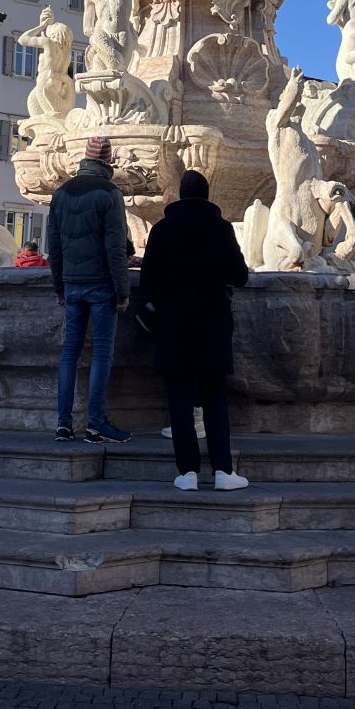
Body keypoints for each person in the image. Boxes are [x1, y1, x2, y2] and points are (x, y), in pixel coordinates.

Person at [139, 171, 251, 490]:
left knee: (179, 399)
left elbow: (148, 283)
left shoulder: (162, 230)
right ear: (206, 194)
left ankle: (187, 473)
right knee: (215, 398)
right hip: (212, 324)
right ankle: (223, 472)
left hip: (173, 326)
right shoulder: (221, 228)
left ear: (180, 194)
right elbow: (240, 276)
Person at [47, 135, 131, 444]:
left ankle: (63, 424)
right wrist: (123, 290)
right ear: (108, 161)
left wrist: (59, 285)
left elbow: (53, 246)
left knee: (70, 352)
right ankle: (96, 423)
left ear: (85, 159)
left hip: (72, 284)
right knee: (101, 352)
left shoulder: (61, 193)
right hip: (101, 285)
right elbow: (115, 247)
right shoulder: (109, 193)